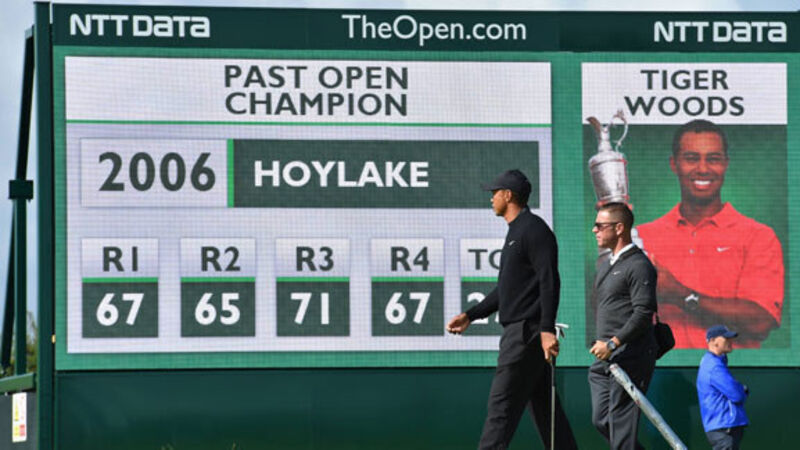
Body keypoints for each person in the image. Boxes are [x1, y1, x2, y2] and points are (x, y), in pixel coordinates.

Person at [446, 169, 577, 450]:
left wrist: (546, 329)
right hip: (524, 333)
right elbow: (507, 291)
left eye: (495, 193)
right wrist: (471, 315)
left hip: (525, 334)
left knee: (501, 408)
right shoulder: (516, 231)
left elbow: (549, 281)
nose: (491, 198)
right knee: (546, 412)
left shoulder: (534, 229)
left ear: (508, 195)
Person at [636, 119, 784, 348]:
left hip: (729, 367)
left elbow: (761, 322)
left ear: (725, 164)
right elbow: (608, 313)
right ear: (674, 164)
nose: (703, 169)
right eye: (691, 158)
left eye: (713, 159)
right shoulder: (641, 237)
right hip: (661, 367)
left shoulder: (758, 237)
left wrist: (680, 295)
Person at [589, 202, 658, 450]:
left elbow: (643, 313)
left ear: (619, 228)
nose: (594, 230)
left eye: (600, 225)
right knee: (601, 421)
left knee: (621, 427)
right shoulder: (607, 265)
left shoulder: (639, 265)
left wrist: (612, 343)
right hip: (605, 360)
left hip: (630, 357)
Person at [696, 324, 749, 450]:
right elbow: (736, 394)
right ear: (713, 341)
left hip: (723, 427)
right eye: (726, 338)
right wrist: (742, 389)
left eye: (730, 338)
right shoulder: (714, 366)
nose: (730, 341)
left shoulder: (715, 362)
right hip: (724, 427)